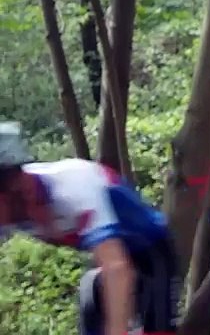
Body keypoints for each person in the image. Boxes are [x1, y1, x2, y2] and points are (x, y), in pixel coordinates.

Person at [0, 122, 179, 335]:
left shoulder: (74, 187)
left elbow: (117, 268)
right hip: (106, 257)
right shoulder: (14, 201)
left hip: (150, 249)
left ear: (15, 188)